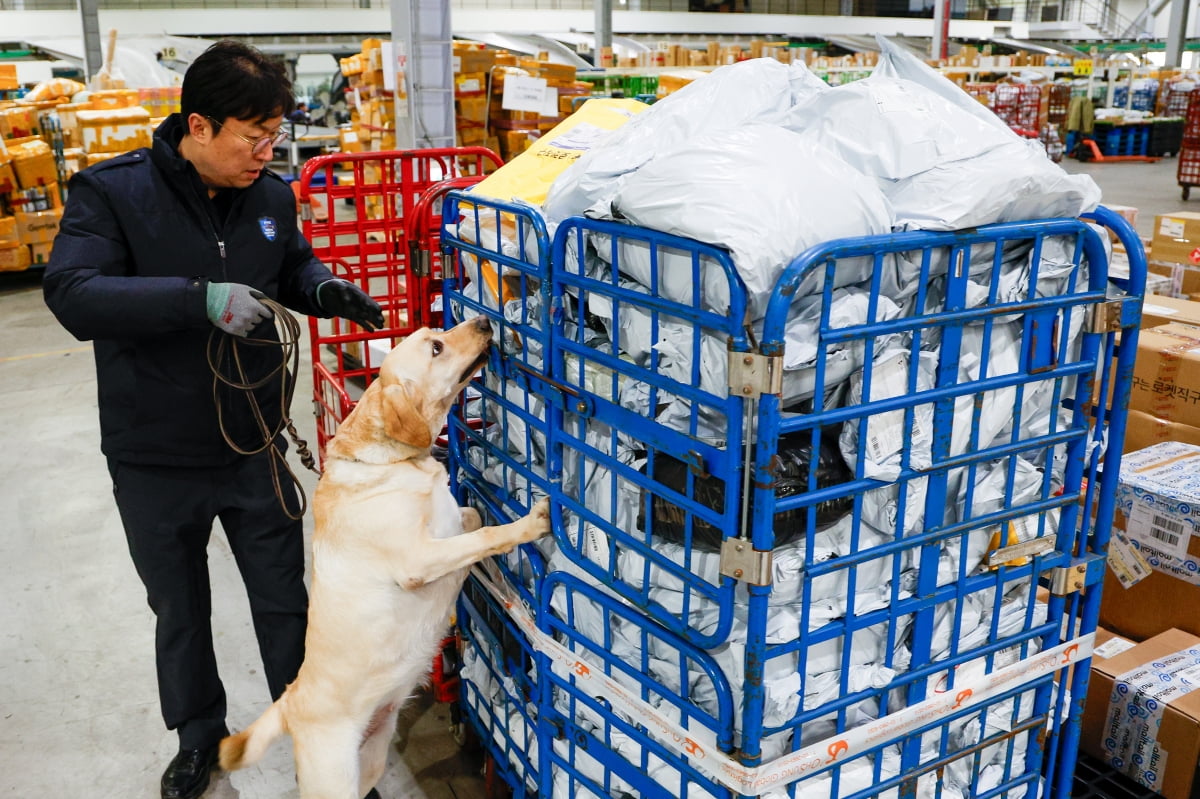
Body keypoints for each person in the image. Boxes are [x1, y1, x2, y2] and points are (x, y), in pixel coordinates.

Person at [43, 40, 385, 799]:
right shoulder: (113, 194)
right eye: (253, 137)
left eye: (276, 136)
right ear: (198, 125)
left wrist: (324, 289)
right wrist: (195, 298)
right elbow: (72, 293)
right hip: (154, 450)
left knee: (284, 601)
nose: (268, 152)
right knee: (181, 607)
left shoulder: (270, 194)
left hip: (251, 440)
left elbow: (288, 261)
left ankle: (315, 737)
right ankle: (199, 738)